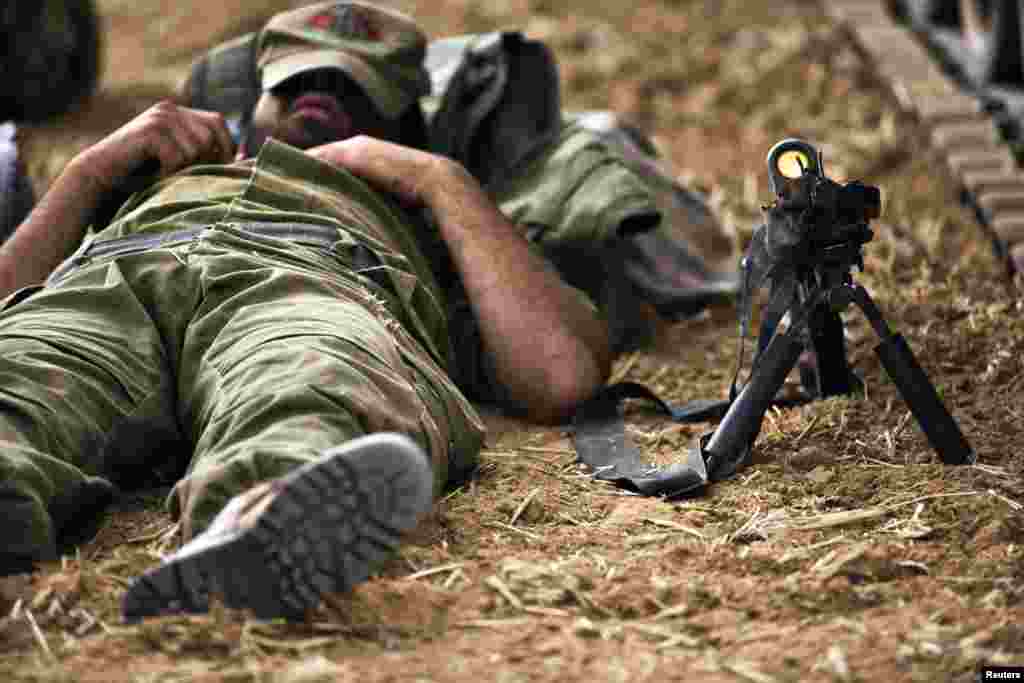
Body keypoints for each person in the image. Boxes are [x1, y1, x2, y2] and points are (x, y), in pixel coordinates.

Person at [0, 1, 613, 620]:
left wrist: (440, 183)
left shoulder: (432, 219)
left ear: (404, 131)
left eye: (353, 89)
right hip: (116, 278)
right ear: (247, 111)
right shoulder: (154, 176)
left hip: (309, 283)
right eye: (294, 80)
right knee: (21, 375)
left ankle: (257, 530)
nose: (318, 91)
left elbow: (559, 375)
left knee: (314, 380)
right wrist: (85, 177)